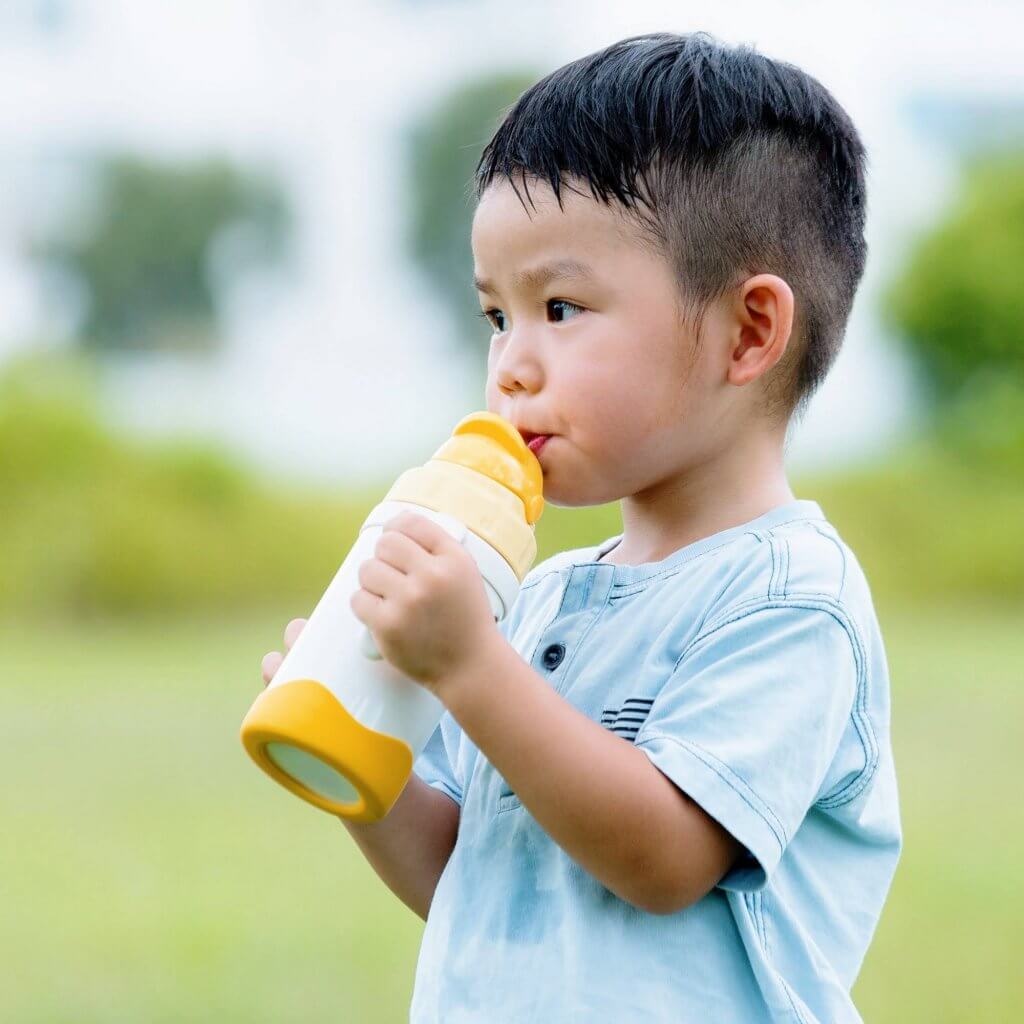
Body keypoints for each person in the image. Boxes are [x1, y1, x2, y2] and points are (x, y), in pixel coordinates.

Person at [260, 31, 901, 1023]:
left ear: (748, 331)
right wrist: (362, 759)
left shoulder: (787, 598)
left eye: (559, 307)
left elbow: (660, 859)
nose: (512, 362)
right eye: (495, 317)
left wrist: (469, 667)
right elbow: (470, 880)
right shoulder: (542, 596)